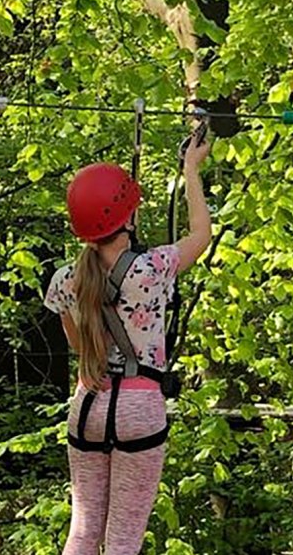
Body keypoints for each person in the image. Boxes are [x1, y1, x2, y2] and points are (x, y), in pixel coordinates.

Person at [44, 131, 213, 555]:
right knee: (123, 538)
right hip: (138, 408)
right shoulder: (151, 268)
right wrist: (190, 169)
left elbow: (81, 351)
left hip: (87, 407)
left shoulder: (66, 280)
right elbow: (201, 234)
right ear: (128, 218)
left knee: (83, 530)